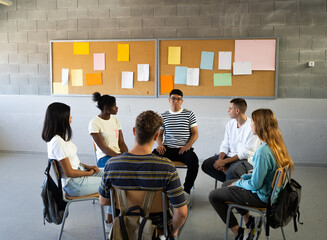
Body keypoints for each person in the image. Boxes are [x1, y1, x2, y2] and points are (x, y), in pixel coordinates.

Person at [98, 110, 188, 238]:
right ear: (156, 136)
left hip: (125, 228)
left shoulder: (112, 164)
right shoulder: (167, 167)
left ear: (134, 131)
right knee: (185, 202)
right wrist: (172, 231)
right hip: (156, 230)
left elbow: (103, 201)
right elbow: (182, 213)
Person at [208, 108, 294, 239]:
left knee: (213, 196)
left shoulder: (263, 151)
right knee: (226, 183)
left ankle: (240, 233)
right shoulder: (276, 145)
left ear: (260, 125)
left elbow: (255, 184)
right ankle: (250, 220)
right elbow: (261, 176)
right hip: (273, 194)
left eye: (252, 121)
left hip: (262, 197)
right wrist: (243, 178)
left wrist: (239, 182)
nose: (250, 124)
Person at [41, 102, 103, 197]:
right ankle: (115, 211)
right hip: (74, 184)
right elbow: (69, 172)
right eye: (69, 115)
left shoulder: (62, 137)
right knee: (113, 180)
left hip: (79, 175)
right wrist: (88, 173)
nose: (71, 117)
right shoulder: (57, 142)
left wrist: (88, 167)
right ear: (61, 118)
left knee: (112, 173)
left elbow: (73, 162)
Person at [202, 98, 260, 184]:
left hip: (245, 160)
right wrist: (220, 159)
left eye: (230, 108)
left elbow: (246, 153)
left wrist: (224, 162)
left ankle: (229, 187)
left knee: (233, 172)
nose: (228, 111)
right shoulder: (230, 124)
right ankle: (230, 183)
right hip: (229, 156)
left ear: (237, 111)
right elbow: (225, 144)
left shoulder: (252, 126)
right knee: (206, 165)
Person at [152, 89, 199, 194]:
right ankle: (159, 188)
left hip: (183, 149)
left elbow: (195, 133)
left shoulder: (189, 114)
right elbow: (159, 134)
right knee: (152, 158)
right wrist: (159, 144)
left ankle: (186, 190)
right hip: (167, 148)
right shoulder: (163, 116)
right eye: (173, 98)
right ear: (169, 100)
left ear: (181, 101)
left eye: (178, 99)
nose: (175, 101)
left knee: (194, 161)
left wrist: (188, 145)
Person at [89, 92, 128, 168]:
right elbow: (104, 148)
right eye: (114, 106)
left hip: (117, 155)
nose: (117, 108)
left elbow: (122, 143)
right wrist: (120, 158)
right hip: (104, 158)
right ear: (106, 108)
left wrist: (127, 156)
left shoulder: (116, 120)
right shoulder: (94, 122)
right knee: (121, 167)